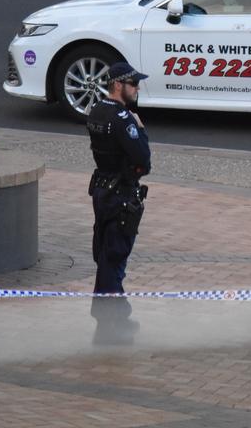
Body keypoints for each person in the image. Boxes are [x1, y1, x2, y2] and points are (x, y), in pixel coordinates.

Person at [86, 61, 151, 344]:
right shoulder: (124, 120)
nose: (137, 88)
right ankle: (109, 326)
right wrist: (140, 128)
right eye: (133, 84)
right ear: (117, 85)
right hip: (121, 195)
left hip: (102, 190)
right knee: (114, 259)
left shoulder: (96, 112)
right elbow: (143, 161)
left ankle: (116, 316)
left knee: (105, 256)